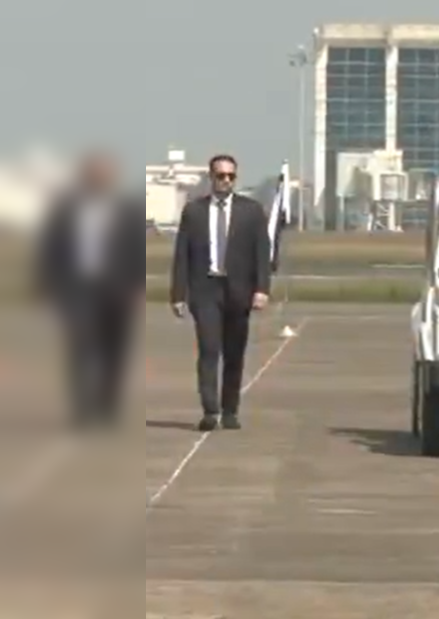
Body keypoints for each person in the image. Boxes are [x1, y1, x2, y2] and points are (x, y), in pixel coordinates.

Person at [36, 151, 143, 429]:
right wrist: (48, 286)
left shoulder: (127, 210)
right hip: (78, 289)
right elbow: (50, 248)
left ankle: (106, 405)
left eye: (105, 174)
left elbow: (135, 252)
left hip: (116, 290)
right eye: (94, 173)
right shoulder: (66, 209)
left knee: (113, 351)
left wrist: (136, 288)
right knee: (80, 348)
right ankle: (82, 409)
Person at [169, 155, 273, 432]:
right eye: (220, 176)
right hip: (205, 290)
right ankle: (210, 410)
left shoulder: (251, 211)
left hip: (239, 290)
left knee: (234, 353)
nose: (226, 180)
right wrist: (178, 294)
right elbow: (182, 255)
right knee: (208, 350)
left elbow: (262, 254)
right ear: (211, 177)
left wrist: (262, 289)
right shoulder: (194, 212)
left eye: (231, 176)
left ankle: (230, 410)